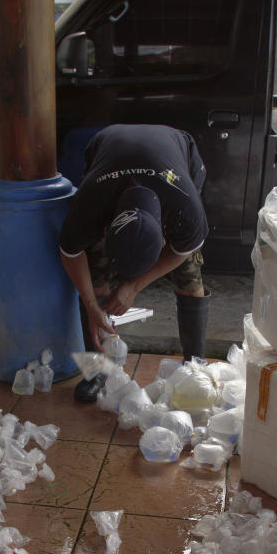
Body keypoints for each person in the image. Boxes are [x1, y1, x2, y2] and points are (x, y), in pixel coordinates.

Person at [58, 124, 209, 401]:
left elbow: (185, 249)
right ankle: (97, 370)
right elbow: (71, 253)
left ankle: (194, 368)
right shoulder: (90, 204)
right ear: (106, 230)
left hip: (177, 158)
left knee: (190, 277)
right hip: (107, 150)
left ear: (164, 237)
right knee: (96, 275)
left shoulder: (185, 209)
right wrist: (91, 304)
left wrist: (133, 287)